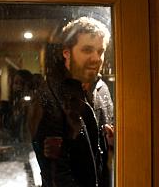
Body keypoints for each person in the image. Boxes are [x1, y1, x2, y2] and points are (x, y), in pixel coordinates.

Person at [28, 16, 114, 187]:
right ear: (67, 53)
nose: (96, 58)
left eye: (100, 51)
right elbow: (54, 171)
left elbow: (104, 151)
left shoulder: (102, 87)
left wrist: (112, 143)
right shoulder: (49, 93)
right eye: (87, 50)